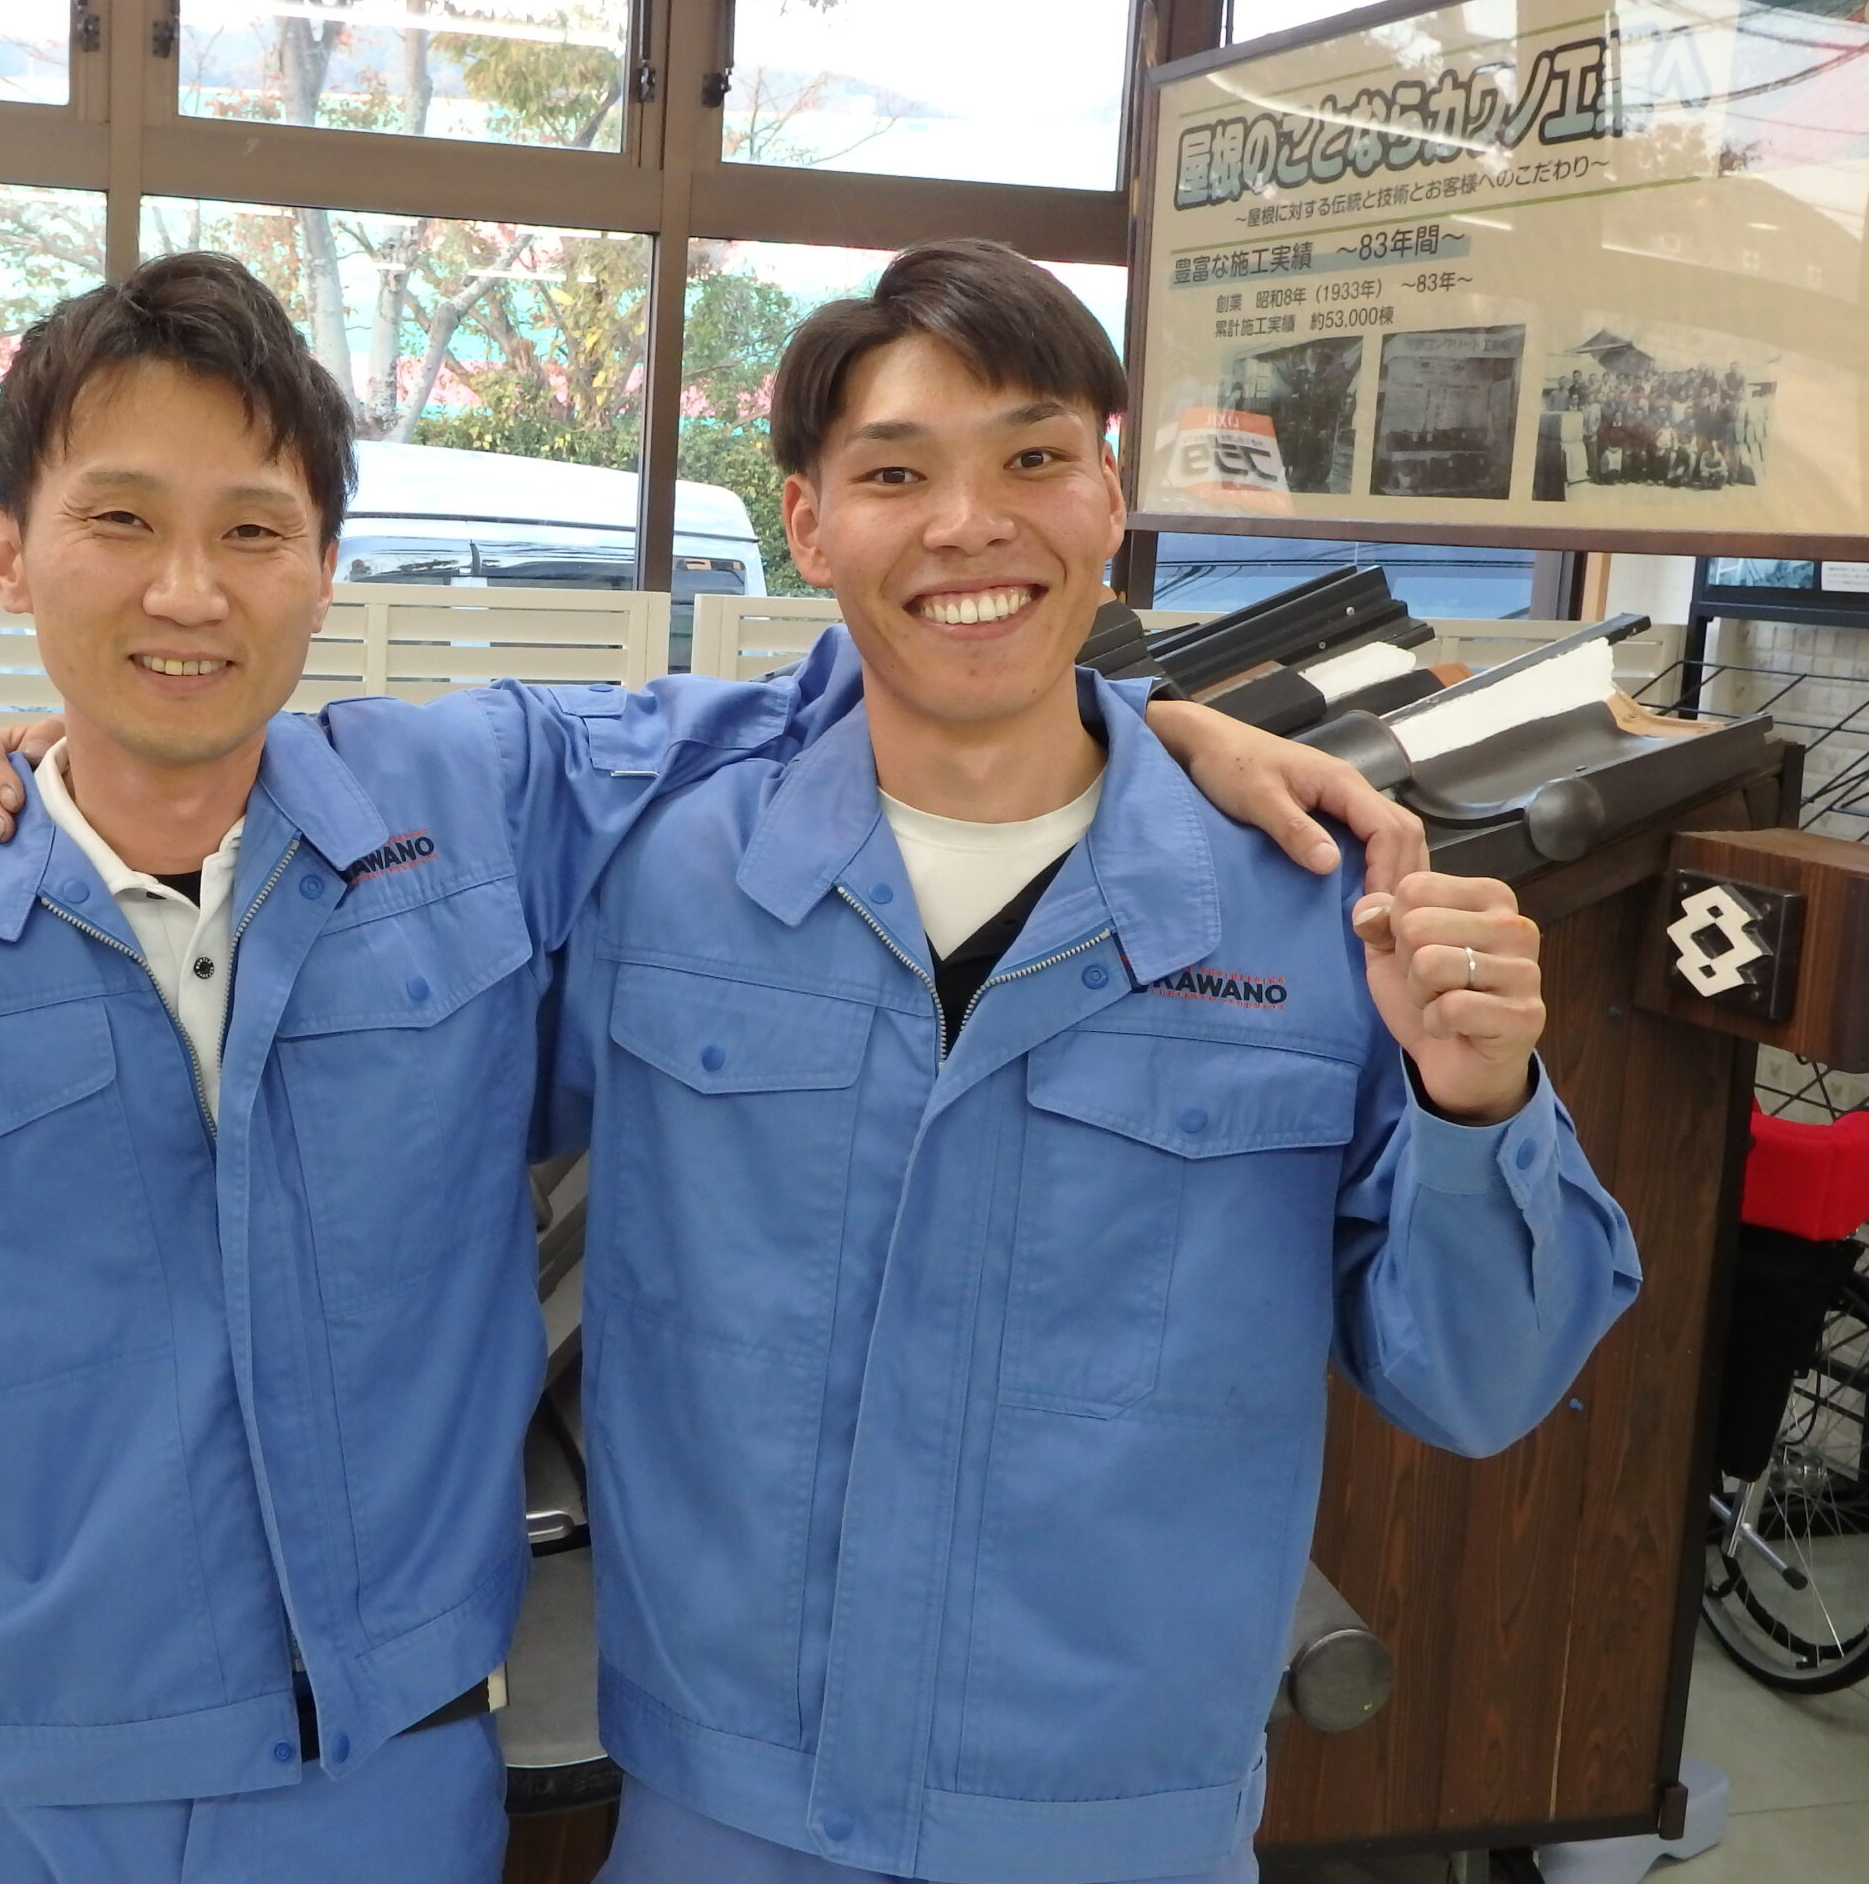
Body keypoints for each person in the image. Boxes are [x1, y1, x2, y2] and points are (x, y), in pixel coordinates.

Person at [0, 250, 1403, 1883]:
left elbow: (871, 694)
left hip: (384, 1783)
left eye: (252, 529)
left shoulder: (477, 815)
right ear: (7, 551)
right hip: (30, 1799)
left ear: (324, 564)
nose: (187, 591)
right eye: (120, 522)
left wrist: (1162, 736)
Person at [525, 243, 1637, 1884]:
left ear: (1110, 495)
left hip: (1118, 1821)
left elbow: (1475, 1389)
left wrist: (1478, 1104)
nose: (969, 524)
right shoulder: (662, 876)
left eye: (1034, 458)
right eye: (897, 473)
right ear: (810, 526)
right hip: (723, 1804)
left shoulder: (1318, 911)